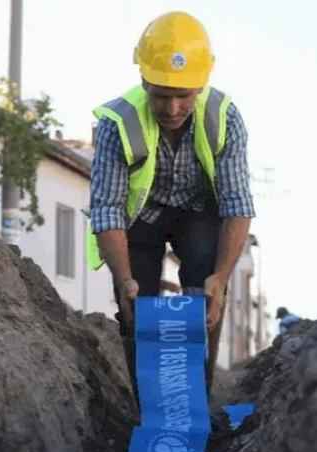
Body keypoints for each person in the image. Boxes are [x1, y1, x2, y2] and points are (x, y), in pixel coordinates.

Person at [85, 11, 255, 401]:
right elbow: (108, 208)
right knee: (137, 305)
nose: (173, 108)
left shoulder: (224, 118)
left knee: (205, 290)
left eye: (184, 96)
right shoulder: (119, 121)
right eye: (161, 94)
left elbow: (236, 204)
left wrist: (222, 278)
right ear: (144, 80)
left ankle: (196, 397)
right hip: (140, 218)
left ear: (201, 86)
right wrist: (125, 280)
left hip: (196, 213)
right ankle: (146, 405)